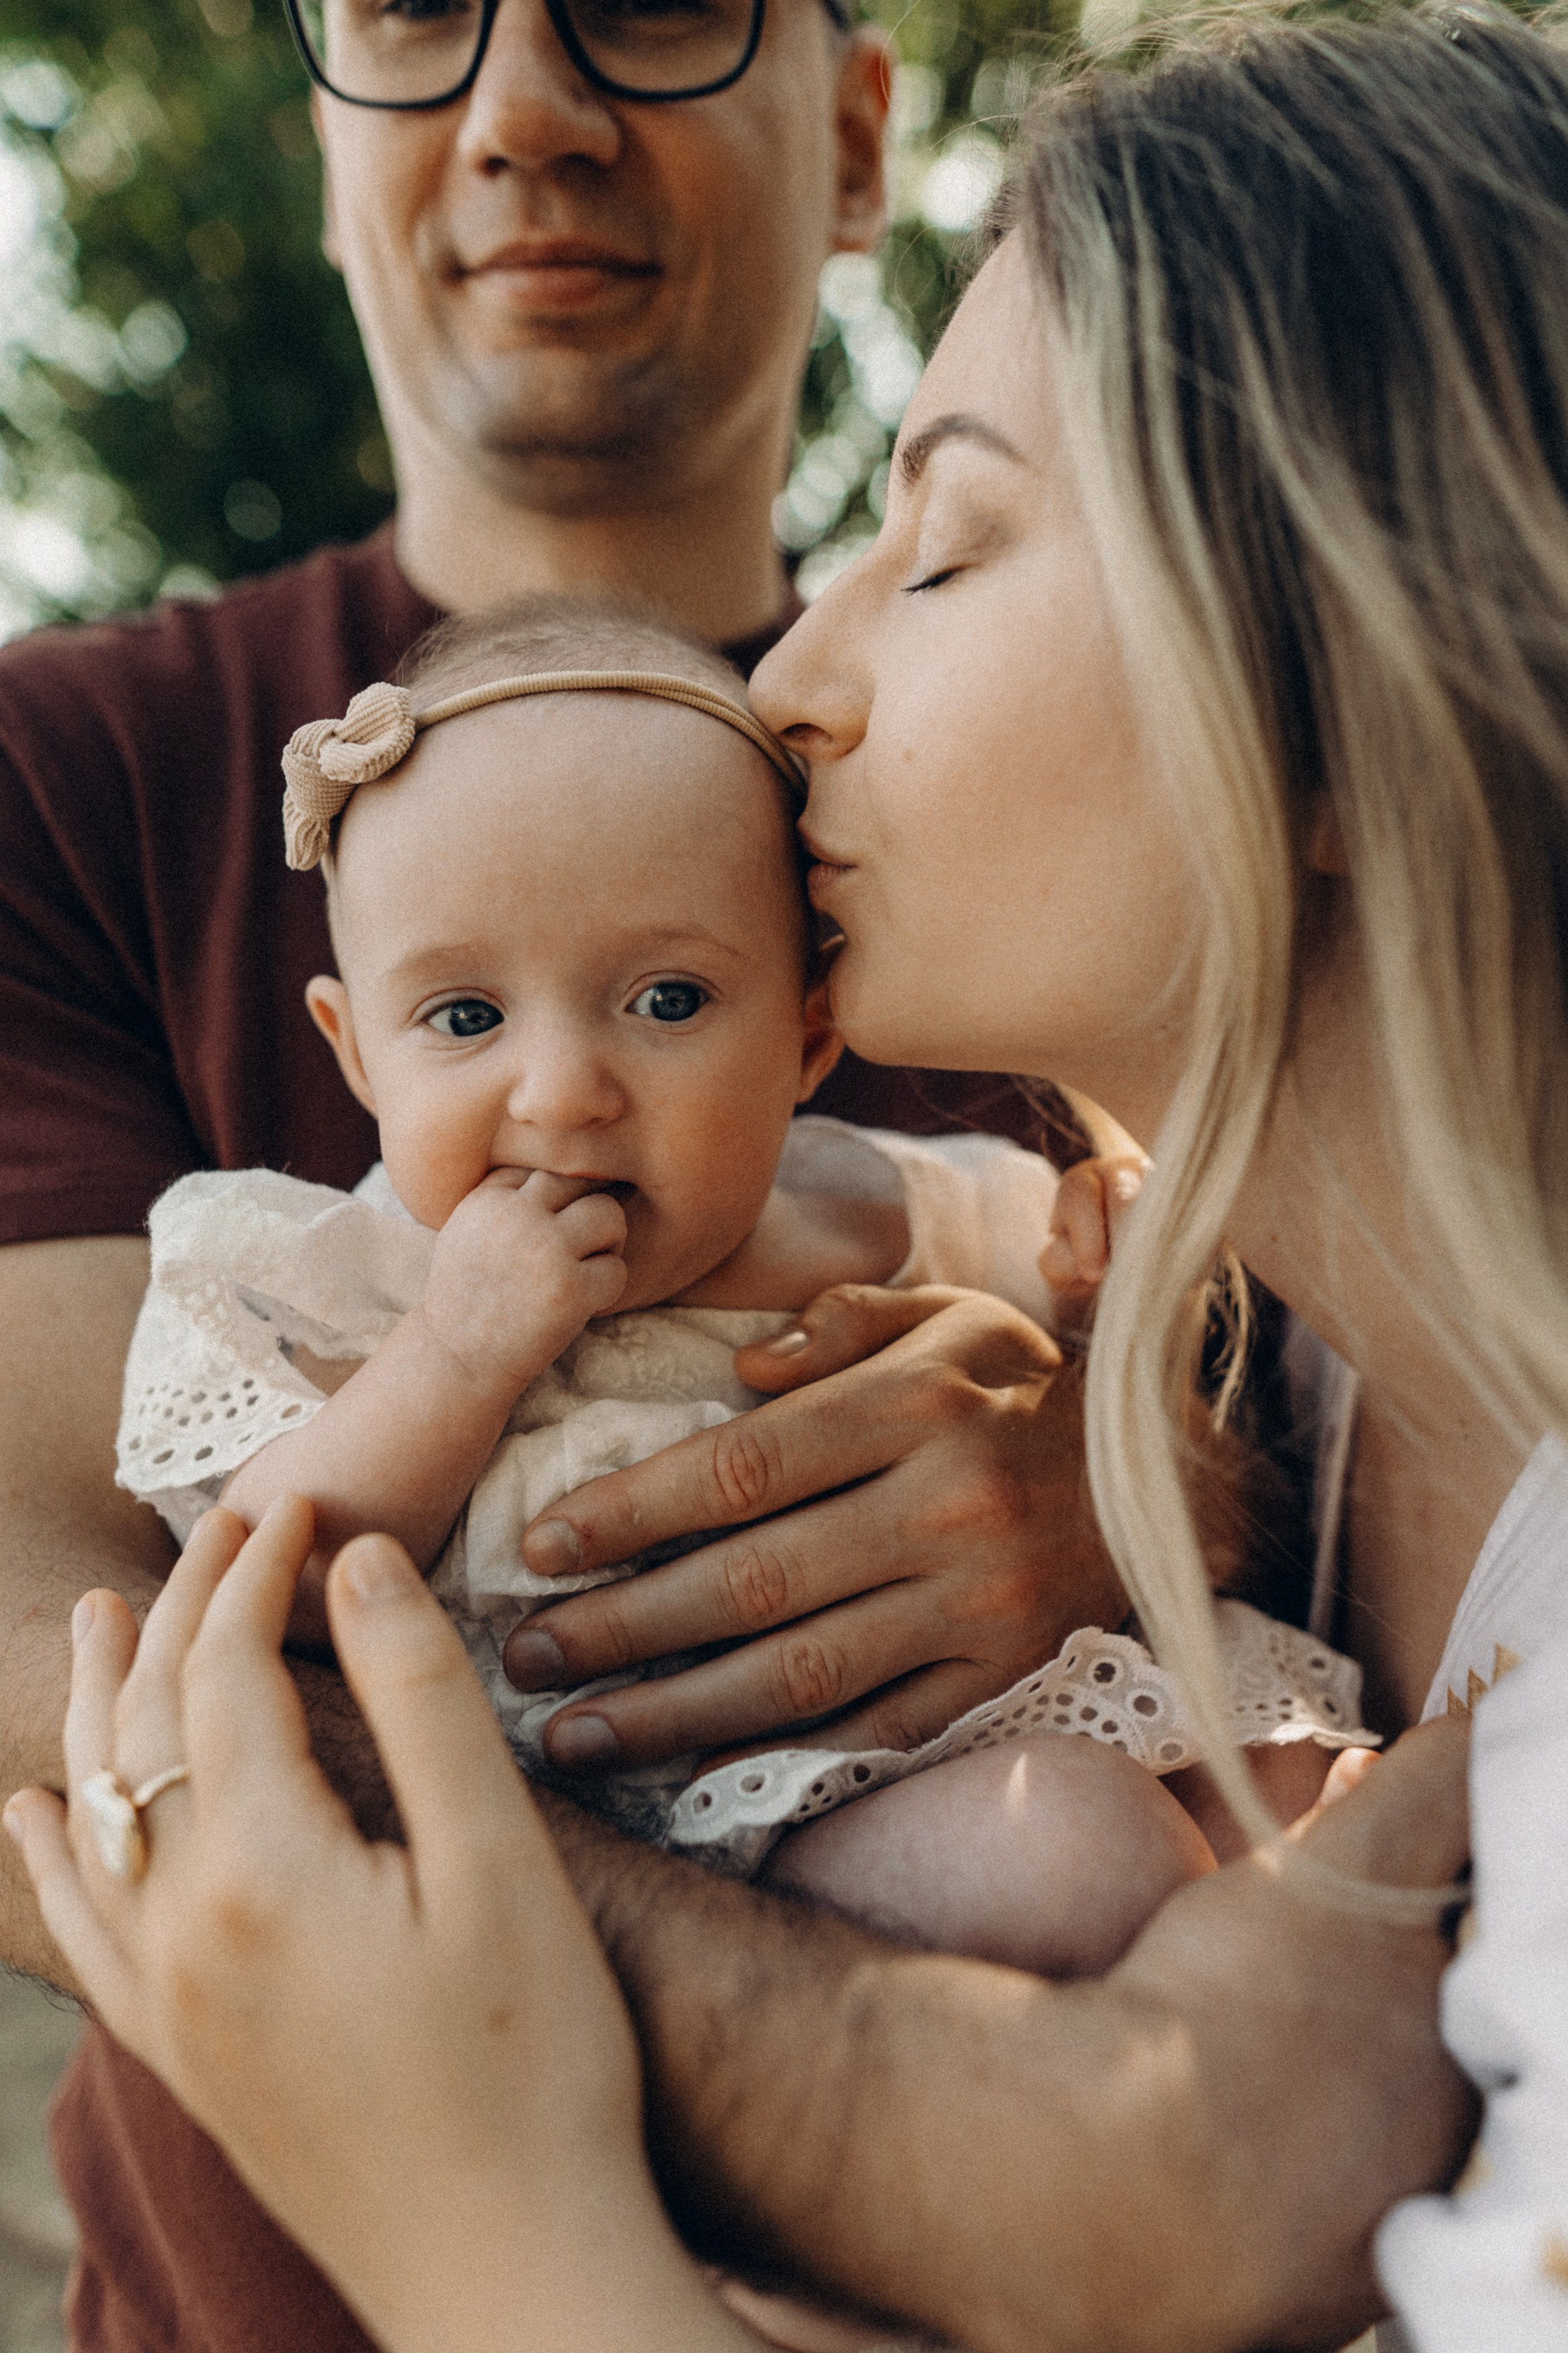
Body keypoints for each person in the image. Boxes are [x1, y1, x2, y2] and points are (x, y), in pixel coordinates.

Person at [19, 3, 1568, 2346]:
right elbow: (85, 1621)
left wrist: (1147, 1473)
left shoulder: (1019, 962)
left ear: (857, 137)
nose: (520, 111)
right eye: (409, 13)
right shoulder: (71, 781)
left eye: (941, 549)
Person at [116, 593, 1358, 1987]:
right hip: (692, 1840)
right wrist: (455, 1355)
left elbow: (1069, 1417)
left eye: (667, 1001)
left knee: (1300, 1779)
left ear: (808, 1035)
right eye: (465, 1017)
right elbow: (260, 1580)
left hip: (972, 1715)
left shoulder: (906, 1210)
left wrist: (1109, 1297)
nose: (562, 1092)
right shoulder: (337, 1280)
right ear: (356, 1052)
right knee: (1082, 1854)